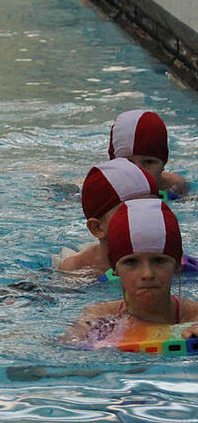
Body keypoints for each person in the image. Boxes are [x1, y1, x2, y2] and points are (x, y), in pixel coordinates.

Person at [64, 198, 198, 345]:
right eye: (131, 262)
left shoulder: (195, 318)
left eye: (159, 261)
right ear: (114, 268)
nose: (147, 274)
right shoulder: (96, 319)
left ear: (178, 265)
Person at [57, 158, 158, 275]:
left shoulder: (169, 259)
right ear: (97, 228)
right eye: (130, 212)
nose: (147, 218)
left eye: (152, 208)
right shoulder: (77, 269)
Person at [108, 109, 189, 196]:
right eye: (128, 162)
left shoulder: (174, 186)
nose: (139, 172)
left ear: (163, 164)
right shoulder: (104, 190)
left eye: (148, 162)